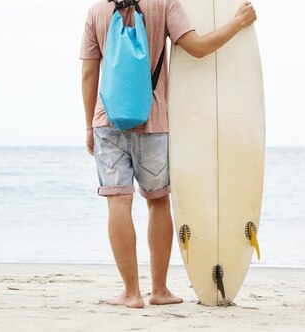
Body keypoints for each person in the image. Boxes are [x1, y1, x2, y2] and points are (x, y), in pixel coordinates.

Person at [80, 0, 257, 308]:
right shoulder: (163, 4)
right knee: (158, 201)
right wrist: (237, 23)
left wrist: (87, 126)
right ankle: (159, 290)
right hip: (154, 121)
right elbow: (198, 48)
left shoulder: (96, 12)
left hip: (107, 123)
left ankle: (131, 293)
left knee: (118, 202)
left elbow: (87, 72)